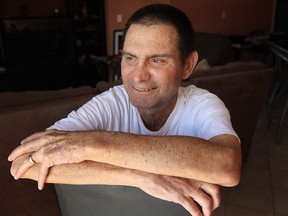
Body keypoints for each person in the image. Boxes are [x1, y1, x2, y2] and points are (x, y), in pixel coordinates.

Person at [8, 3, 241, 216]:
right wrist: (142, 177)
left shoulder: (202, 104)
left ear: (188, 65)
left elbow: (228, 166)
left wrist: (86, 145)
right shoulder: (112, 101)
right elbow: (23, 164)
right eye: (130, 58)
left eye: (157, 60)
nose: (138, 76)